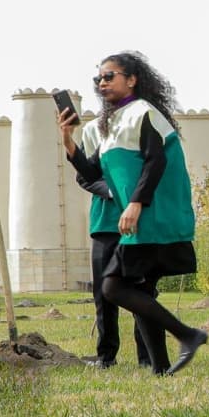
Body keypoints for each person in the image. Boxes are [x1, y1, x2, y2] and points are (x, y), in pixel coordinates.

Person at [57, 53, 206, 376]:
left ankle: (188, 335)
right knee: (133, 290)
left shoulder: (143, 113)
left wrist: (135, 203)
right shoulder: (112, 124)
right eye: (99, 79)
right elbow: (90, 170)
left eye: (110, 76)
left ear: (132, 79)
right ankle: (161, 366)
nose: (102, 83)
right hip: (137, 222)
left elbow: (156, 161)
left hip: (152, 217)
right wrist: (68, 140)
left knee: (114, 287)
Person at [65, 126, 157, 370]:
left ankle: (148, 357)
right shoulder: (96, 132)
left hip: (142, 226)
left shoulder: (147, 134)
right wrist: (111, 190)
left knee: (144, 291)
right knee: (104, 294)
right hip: (105, 226)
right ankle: (106, 356)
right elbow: (83, 174)